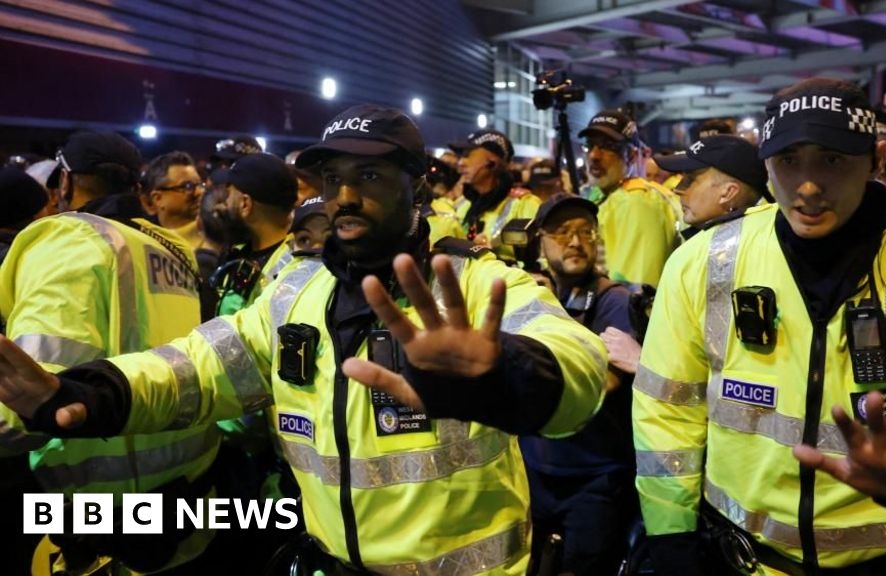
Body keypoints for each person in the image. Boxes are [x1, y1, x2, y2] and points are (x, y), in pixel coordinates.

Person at [0, 105, 607, 575]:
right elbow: (195, 367)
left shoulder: (474, 285)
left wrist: (502, 377)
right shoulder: (294, 293)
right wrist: (79, 392)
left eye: (368, 175)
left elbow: (577, 366)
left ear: (417, 184)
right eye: (332, 177)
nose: (343, 195)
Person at [633, 78, 886, 575]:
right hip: (739, 560)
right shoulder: (702, 261)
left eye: (833, 159)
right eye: (788, 161)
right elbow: (666, 413)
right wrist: (671, 541)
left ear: (877, 160)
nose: (809, 184)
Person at [0, 131, 219, 575]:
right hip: (188, 507)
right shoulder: (174, 250)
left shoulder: (70, 241)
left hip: (102, 523)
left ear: (65, 182)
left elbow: (27, 406)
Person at [519, 194, 639, 576]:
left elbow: (602, 384)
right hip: (536, 469)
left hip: (594, 476)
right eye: (562, 232)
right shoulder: (528, 293)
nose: (575, 241)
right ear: (540, 241)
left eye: (586, 231)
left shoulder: (614, 300)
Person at [579, 109, 680, 287]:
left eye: (607, 146)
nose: (594, 155)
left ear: (632, 156)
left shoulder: (636, 202)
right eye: (590, 145)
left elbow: (635, 290)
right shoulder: (607, 195)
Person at [210, 153, 297, 316]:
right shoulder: (237, 254)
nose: (223, 205)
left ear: (245, 204)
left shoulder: (290, 267)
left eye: (229, 195)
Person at [654, 134, 770, 238]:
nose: (677, 189)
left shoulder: (701, 253)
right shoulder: (767, 237)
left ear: (728, 192)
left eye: (690, 180)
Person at [455, 129, 540, 262]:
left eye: (467, 155)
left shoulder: (525, 204)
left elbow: (544, 258)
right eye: (460, 156)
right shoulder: (461, 204)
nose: (460, 163)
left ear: (492, 162)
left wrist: (498, 259)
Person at [140, 151, 206, 249]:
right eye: (188, 186)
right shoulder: (143, 246)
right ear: (158, 199)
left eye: (200, 185)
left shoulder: (217, 241)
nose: (199, 192)